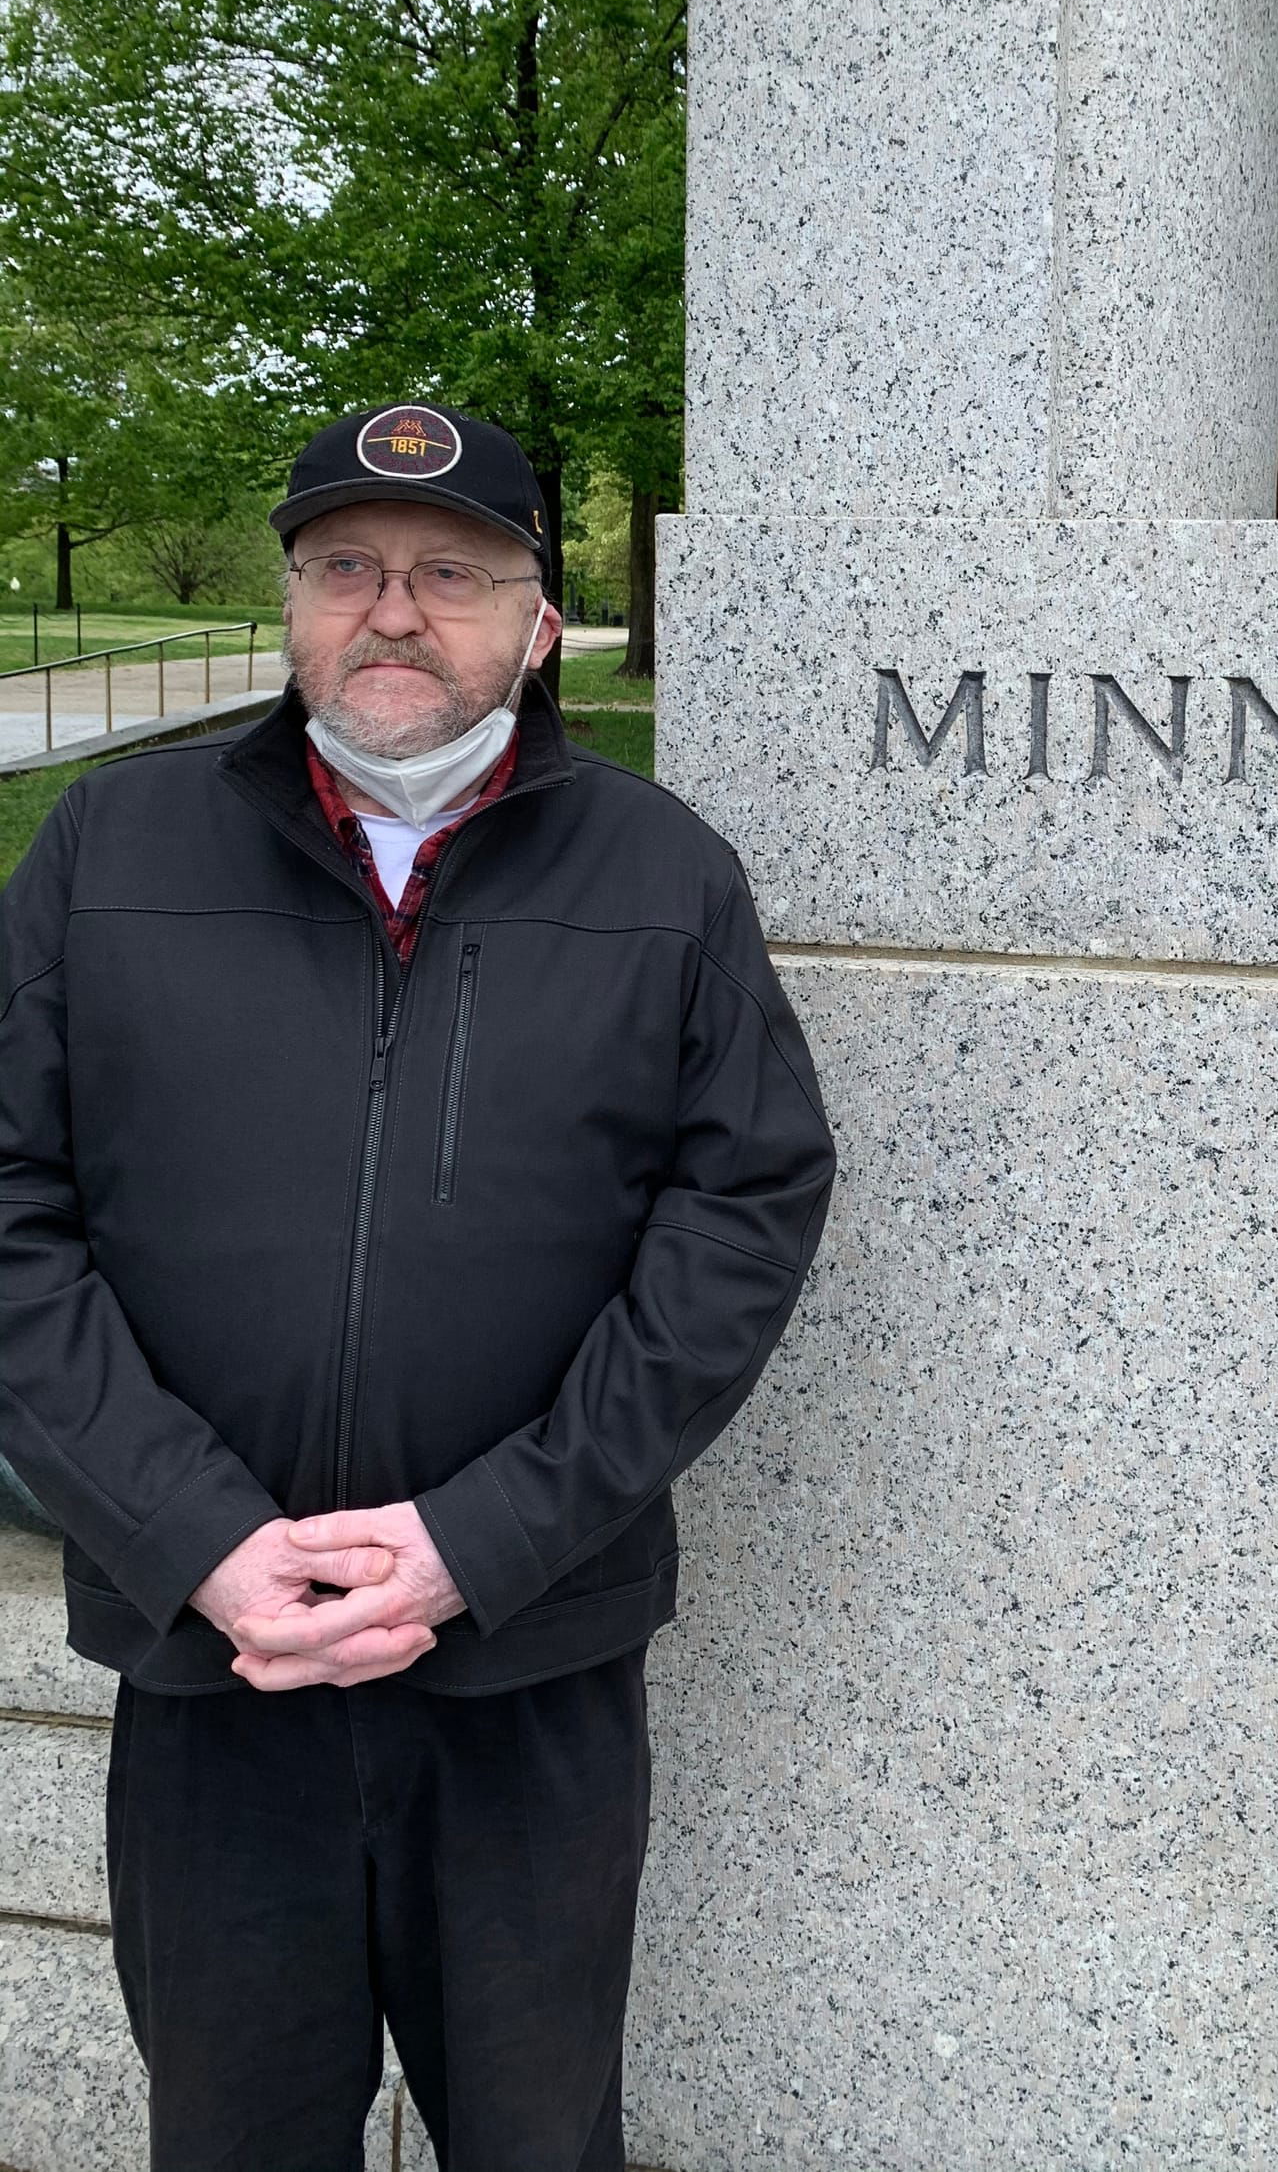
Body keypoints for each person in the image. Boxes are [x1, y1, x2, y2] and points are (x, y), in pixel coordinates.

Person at [0, 402, 837, 2171]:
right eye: (345, 569)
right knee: (232, 2136)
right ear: (290, 602)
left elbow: (740, 1214)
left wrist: (485, 1539)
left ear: (539, 623)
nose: (394, 611)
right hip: (215, 1662)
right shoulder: (108, 857)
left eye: (453, 574)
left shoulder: (664, 875)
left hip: (524, 1660)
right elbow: (11, 1205)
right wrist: (198, 1539)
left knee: (537, 2140)